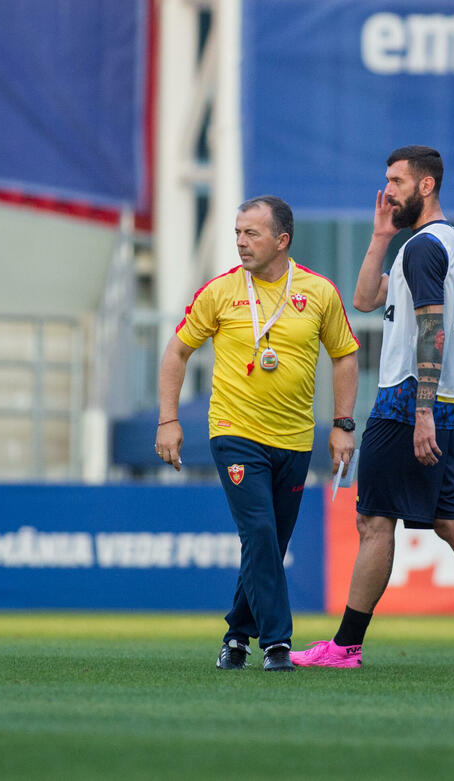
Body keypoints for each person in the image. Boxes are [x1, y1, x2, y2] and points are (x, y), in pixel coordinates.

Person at [291, 145, 454, 671]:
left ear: (425, 186)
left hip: (407, 403)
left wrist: (420, 414)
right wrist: (380, 236)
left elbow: (432, 329)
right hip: (449, 403)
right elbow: (365, 298)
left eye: (396, 181)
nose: (387, 189)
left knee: (375, 522)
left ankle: (345, 647)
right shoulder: (439, 243)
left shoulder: (424, 247)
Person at [155, 195, 360, 672]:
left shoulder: (319, 291)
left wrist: (343, 425)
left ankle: (235, 636)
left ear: (282, 240)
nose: (241, 243)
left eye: (252, 234)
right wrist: (168, 419)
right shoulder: (220, 291)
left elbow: (345, 354)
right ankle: (277, 644)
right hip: (235, 432)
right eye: (238, 233)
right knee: (261, 531)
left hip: (294, 439)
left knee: (268, 544)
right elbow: (176, 353)